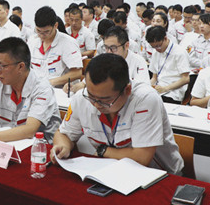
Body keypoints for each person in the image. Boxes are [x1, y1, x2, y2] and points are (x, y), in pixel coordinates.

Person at [51, 54, 184, 174]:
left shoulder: (146, 100)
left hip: (157, 175)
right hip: (109, 172)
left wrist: (103, 151)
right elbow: (63, 134)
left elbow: (141, 158)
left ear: (127, 90)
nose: (96, 105)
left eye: (105, 100)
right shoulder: (81, 98)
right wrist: (63, 146)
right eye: (91, 96)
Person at [0, 37, 61, 147]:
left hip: (40, 148)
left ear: (20, 66)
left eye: (2, 66)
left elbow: (30, 130)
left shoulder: (42, 88)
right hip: (8, 144)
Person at [28, 6, 83, 90]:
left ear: (56, 25)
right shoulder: (32, 41)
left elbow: (77, 73)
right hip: (37, 90)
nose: (42, 35)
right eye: (38, 31)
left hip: (60, 90)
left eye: (46, 32)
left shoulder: (68, 43)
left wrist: (50, 82)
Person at [146, 26, 191, 103]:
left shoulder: (179, 52)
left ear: (165, 38)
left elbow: (186, 79)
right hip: (158, 89)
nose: (157, 49)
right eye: (153, 47)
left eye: (158, 46)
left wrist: (165, 88)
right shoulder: (156, 52)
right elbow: (154, 78)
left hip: (173, 91)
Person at [102, 26, 151, 91]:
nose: (109, 52)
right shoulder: (103, 60)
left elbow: (143, 88)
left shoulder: (138, 61)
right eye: (106, 47)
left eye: (113, 48)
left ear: (126, 46)